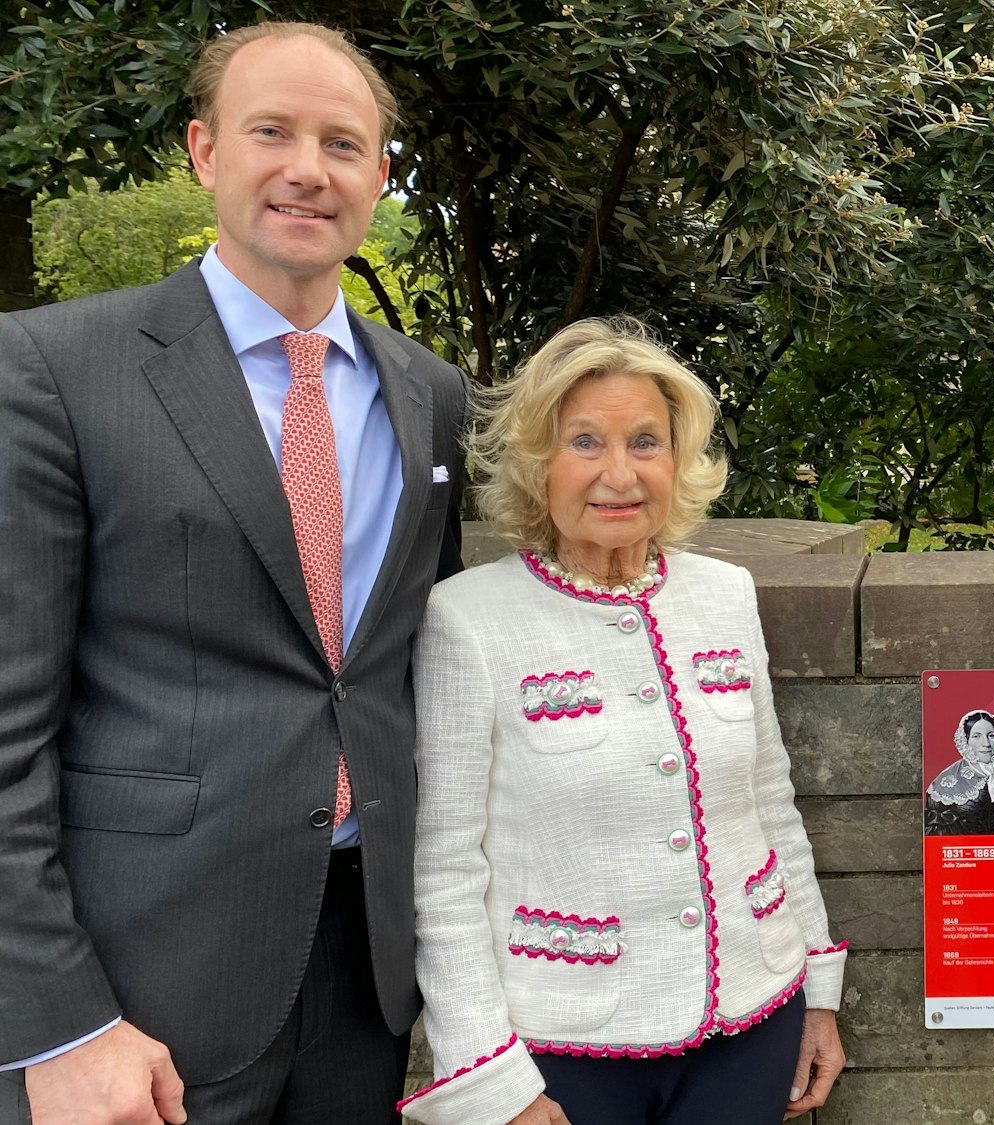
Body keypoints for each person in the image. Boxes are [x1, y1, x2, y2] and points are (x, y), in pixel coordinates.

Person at [0, 22, 467, 1125]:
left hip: (363, 979)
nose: (308, 168)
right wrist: (58, 1023)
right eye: (272, 132)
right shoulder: (55, 370)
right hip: (137, 996)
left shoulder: (430, 395)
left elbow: (405, 673)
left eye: (342, 143)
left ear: (380, 176)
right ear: (206, 151)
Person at [398, 318, 847, 1125]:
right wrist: (491, 1080)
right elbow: (444, 869)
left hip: (753, 1021)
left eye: (646, 441)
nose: (619, 473)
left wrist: (817, 988)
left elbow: (770, 803)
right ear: (537, 462)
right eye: (584, 442)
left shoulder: (725, 595)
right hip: (563, 1053)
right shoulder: (468, 620)